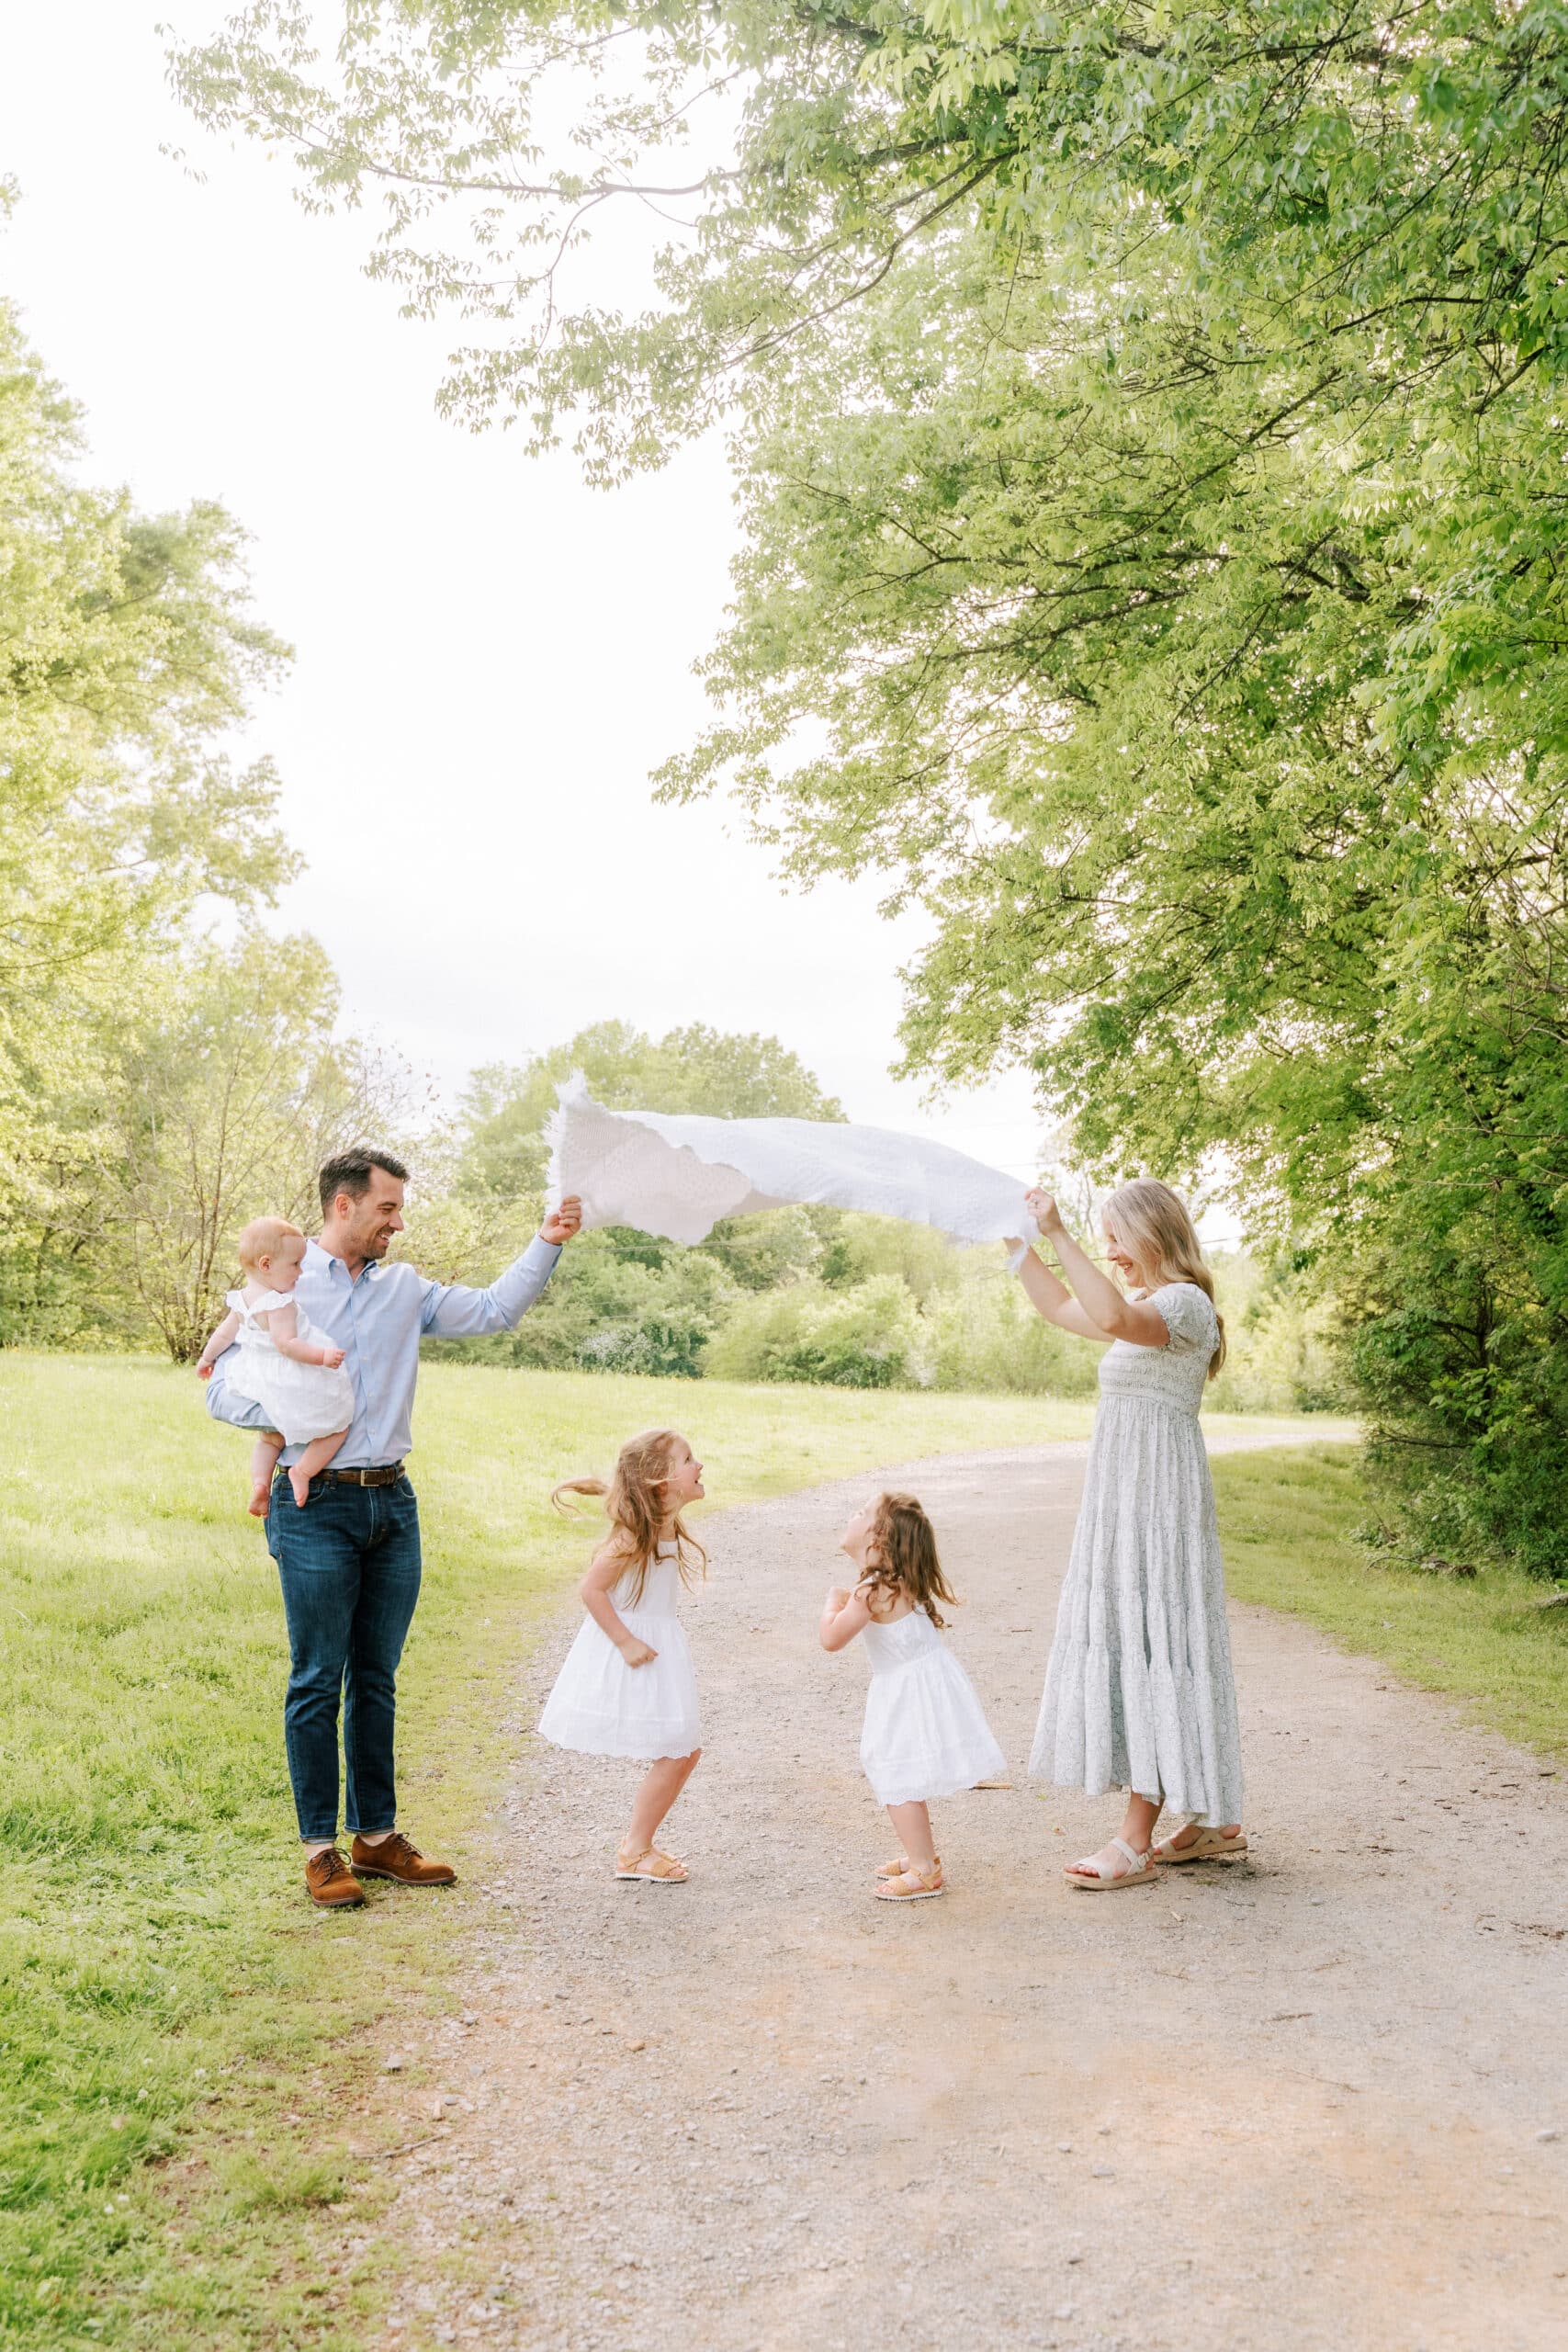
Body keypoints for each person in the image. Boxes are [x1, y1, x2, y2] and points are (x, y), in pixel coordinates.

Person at [204, 1148, 582, 1909]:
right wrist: (298, 1419)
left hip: (392, 1504)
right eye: (387, 1208)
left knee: (375, 1679)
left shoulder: (404, 1288)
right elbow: (220, 1389)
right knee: (317, 1678)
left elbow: (495, 1310)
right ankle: (321, 1850)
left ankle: (375, 1839)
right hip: (313, 1507)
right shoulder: (280, 1280)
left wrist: (547, 1240)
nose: (397, 1223)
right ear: (343, 1206)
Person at [1006, 1178, 1247, 1890]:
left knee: (1155, 1645)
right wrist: (1014, 1241)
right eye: (1102, 1239)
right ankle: (1210, 1823)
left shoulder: (1183, 1304)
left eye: (1116, 1237)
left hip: (1159, 1507)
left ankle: (1134, 1840)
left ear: (1152, 1235)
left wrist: (1057, 1233)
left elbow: (1108, 1315)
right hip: (1122, 1502)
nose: (1108, 1252)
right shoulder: (1145, 1306)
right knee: (1145, 1642)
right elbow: (1057, 1305)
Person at [819, 1489, 1006, 1903]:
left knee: (892, 1768)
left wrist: (831, 1606)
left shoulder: (869, 1591)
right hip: (921, 1683)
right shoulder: (897, 1581)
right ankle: (921, 1855)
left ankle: (924, 1869)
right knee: (899, 1769)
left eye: (861, 1512)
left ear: (878, 1537)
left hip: (905, 1689)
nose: (852, 1513)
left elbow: (830, 1640)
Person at [538, 1429, 706, 1884]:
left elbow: (632, 1495)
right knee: (680, 1749)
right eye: (688, 1459)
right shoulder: (635, 1534)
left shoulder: (659, 1519)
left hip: (660, 1644)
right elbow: (591, 1589)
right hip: (637, 1647)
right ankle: (635, 1850)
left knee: (685, 1750)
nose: (699, 1465)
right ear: (661, 1480)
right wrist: (626, 1642)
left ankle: (639, 1846)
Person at [196, 1217, 355, 1514]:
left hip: (254, 1375)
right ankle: (303, 1472)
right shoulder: (278, 1303)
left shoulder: (242, 1299)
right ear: (266, 1264)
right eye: (295, 1264)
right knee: (339, 1421)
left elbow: (224, 1334)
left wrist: (207, 1359)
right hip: (287, 1376)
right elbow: (288, 1345)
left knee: (270, 1438)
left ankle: (260, 1484)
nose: (301, 1271)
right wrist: (323, 1357)